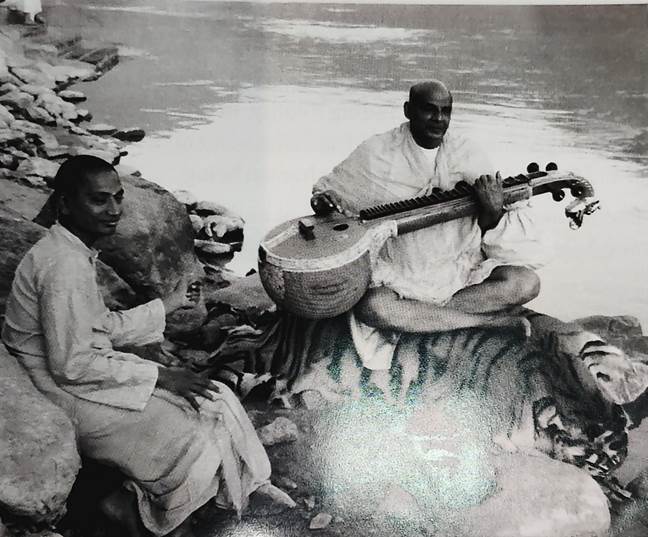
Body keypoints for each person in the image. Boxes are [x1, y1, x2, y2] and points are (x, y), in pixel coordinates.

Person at [1, 155, 293, 537]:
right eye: (99, 200)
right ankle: (149, 514)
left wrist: (168, 304)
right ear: (65, 204)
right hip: (56, 388)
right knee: (194, 426)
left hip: (75, 374)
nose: (114, 210)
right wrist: (160, 376)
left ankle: (238, 489)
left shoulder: (71, 252)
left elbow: (99, 327)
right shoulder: (63, 266)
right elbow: (70, 364)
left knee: (215, 398)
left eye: (118, 197)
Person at [309, 80, 548, 370]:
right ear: (408, 110)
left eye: (446, 111)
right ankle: (485, 323)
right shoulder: (376, 153)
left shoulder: (466, 153)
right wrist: (325, 202)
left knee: (526, 282)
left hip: (458, 273)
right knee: (373, 307)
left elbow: (486, 226)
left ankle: (420, 320)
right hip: (402, 275)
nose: (438, 119)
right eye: (429, 110)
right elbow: (329, 193)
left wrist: (493, 210)